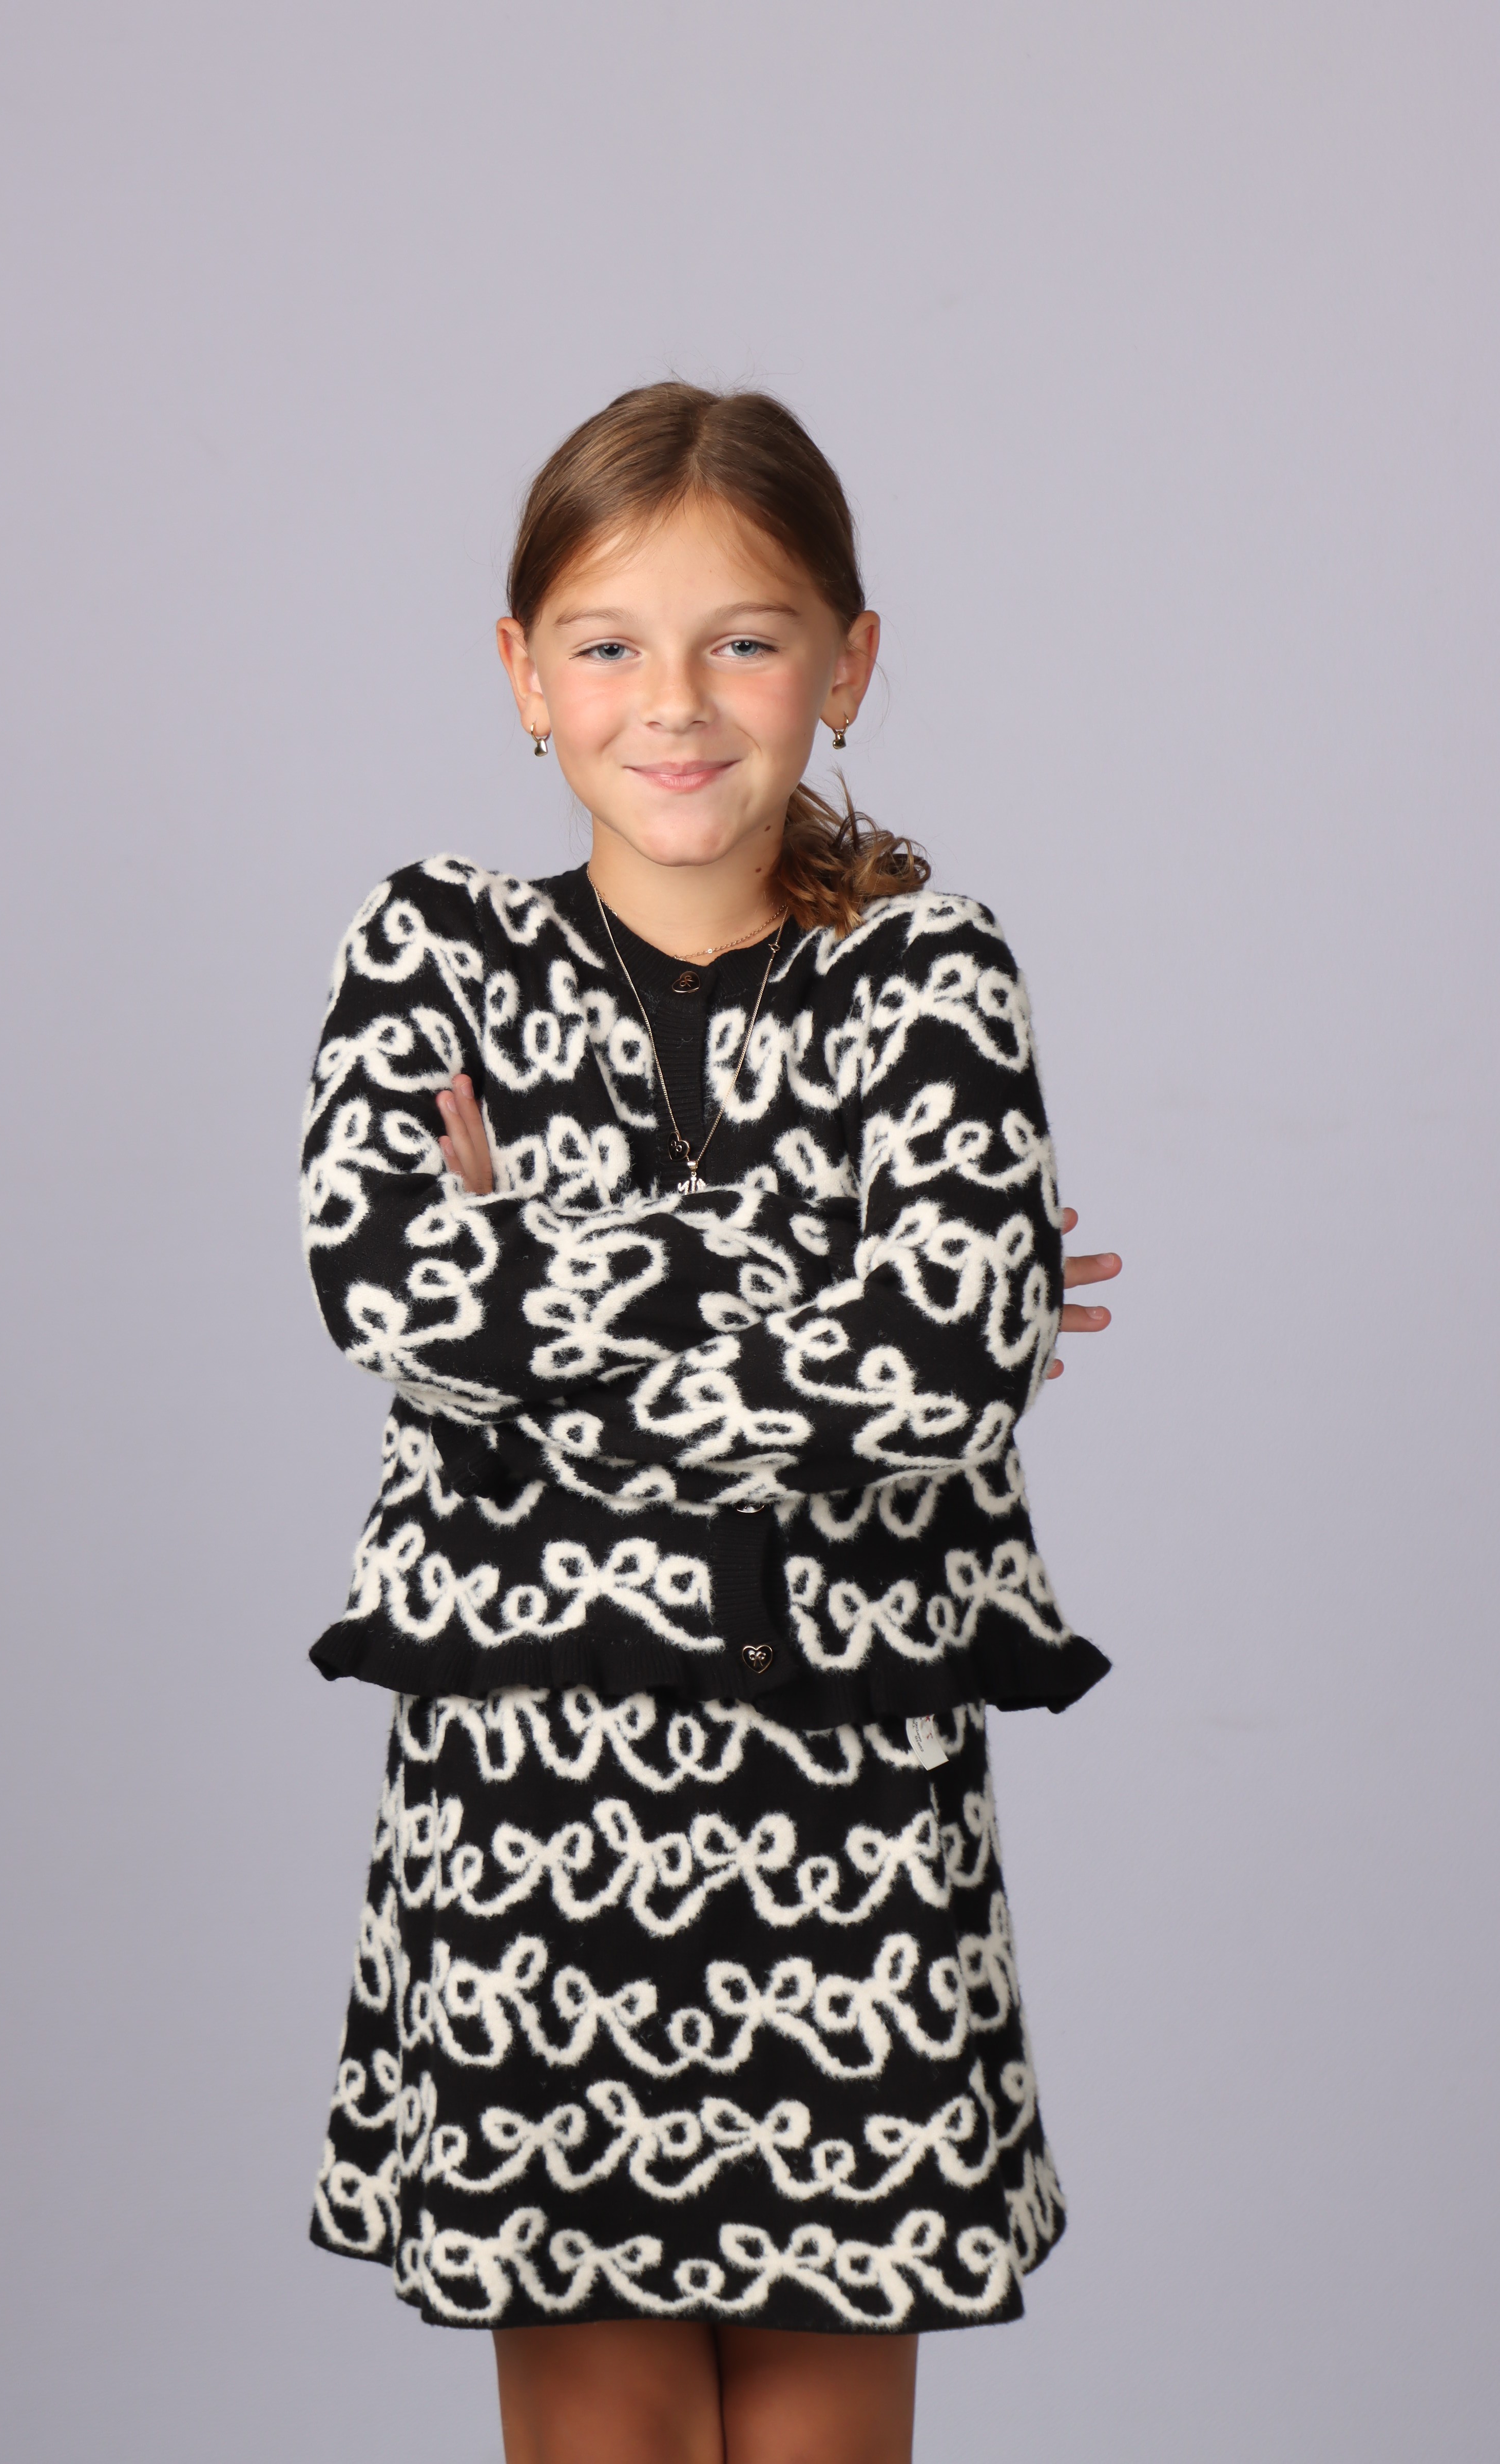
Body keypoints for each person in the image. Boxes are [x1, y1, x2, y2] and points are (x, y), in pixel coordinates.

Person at [298, 381, 1121, 2464]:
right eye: (607, 645)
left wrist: (539, 1269)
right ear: (524, 676)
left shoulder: (931, 977)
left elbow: (942, 1363)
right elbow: (387, 1280)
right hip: (534, 1817)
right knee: (610, 2438)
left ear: (846, 663)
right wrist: (827, 1289)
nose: (673, 702)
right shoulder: (437, 948)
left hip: (850, 1819)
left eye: (744, 640)